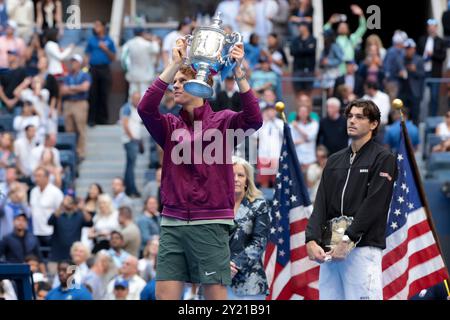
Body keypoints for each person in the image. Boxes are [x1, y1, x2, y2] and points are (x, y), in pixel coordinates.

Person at [137, 37, 262, 300]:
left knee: (215, 300)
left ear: (201, 85)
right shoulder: (170, 125)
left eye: (182, 82)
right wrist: (174, 64)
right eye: (174, 83)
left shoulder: (224, 122)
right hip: (172, 222)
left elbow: (254, 119)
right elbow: (146, 108)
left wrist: (238, 71)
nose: (175, 86)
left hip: (211, 222)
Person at [305, 99, 397, 300]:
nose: (352, 121)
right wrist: (311, 238)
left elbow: (375, 204)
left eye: (360, 117)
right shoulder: (334, 159)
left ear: (373, 124)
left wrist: (348, 239)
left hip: (362, 249)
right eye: (350, 116)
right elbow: (320, 202)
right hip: (330, 251)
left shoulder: (384, 158)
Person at [228, 156, 269, 299]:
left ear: (247, 180)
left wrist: (234, 264)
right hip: (216, 279)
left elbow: (259, 242)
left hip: (249, 282)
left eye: (240, 175)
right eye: (231, 174)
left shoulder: (259, 205)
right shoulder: (214, 205)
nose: (235, 179)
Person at [60, 54, 92, 160]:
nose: (73, 64)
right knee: (69, 129)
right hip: (68, 103)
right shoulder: (67, 76)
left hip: (80, 103)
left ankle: (80, 152)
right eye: (72, 62)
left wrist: (71, 88)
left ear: (79, 63)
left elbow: (85, 88)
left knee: (80, 128)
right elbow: (62, 91)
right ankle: (71, 151)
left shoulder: (84, 75)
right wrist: (76, 88)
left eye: (75, 62)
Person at [85, 20, 116, 126]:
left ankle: (103, 120)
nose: (96, 27)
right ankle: (91, 120)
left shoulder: (109, 40)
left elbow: (113, 57)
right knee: (92, 94)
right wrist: (85, 68)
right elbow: (87, 55)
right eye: (95, 25)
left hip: (104, 69)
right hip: (93, 69)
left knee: (104, 94)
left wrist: (105, 49)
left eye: (98, 25)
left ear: (103, 27)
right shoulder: (91, 40)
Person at [47, 189, 93, 262]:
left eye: (71, 199)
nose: (69, 202)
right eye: (67, 199)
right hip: (57, 254)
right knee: (55, 273)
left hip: (73, 256)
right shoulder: (58, 214)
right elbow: (49, 222)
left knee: (71, 272)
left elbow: (90, 223)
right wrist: (61, 205)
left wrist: (83, 208)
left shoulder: (79, 215)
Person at [417, 18, 447, 116]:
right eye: (430, 27)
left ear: (436, 28)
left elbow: (443, 57)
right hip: (423, 72)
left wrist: (432, 54)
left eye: (433, 27)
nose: (431, 29)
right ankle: (421, 118)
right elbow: (418, 55)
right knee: (422, 97)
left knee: (434, 97)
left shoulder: (440, 41)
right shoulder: (422, 39)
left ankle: (432, 118)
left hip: (434, 73)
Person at [30, 166, 64, 248]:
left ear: (47, 177)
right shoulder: (33, 191)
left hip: (50, 232)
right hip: (36, 231)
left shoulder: (56, 192)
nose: (36, 178)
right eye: (35, 176)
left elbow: (61, 211)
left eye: (39, 176)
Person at [121, 28, 160, 97]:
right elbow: (156, 50)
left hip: (133, 74)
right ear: (143, 33)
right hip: (145, 75)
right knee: (144, 94)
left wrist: (126, 70)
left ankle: (132, 107)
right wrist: (154, 41)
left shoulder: (128, 43)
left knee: (132, 94)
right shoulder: (147, 44)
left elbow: (123, 58)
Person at [120, 92, 144, 198]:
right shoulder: (127, 108)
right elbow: (125, 124)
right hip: (130, 140)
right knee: (131, 166)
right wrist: (133, 138)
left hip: (135, 140)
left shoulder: (137, 109)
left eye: (139, 99)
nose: (137, 101)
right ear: (131, 98)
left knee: (130, 165)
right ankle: (132, 189)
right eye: (135, 99)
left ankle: (127, 189)